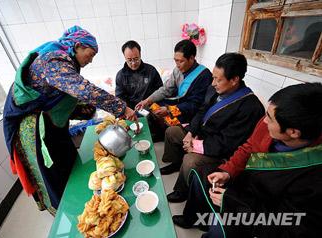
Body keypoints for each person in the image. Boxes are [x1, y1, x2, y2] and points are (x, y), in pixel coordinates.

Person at [3, 26, 136, 215]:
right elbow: (85, 90)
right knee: (53, 171)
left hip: (54, 124)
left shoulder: (66, 62)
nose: (90, 60)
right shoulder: (53, 60)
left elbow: (67, 94)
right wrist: (123, 108)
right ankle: (66, 213)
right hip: (36, 129)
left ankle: (82, 200)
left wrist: (88, 108)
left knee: (69, 159)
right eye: (90, 54)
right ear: (78, 46)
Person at [174, 83, 322, 238]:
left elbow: (285, 224)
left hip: (260, 208)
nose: (264, 121)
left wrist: (233, 203)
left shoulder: (313, 179)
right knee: (202, 175)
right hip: (245, 183)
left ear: (293, 132)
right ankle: (195, 219)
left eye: (270, 119)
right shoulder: (269, 125)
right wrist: (227, 172)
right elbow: (249, 146)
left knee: (221, 230)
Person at [162, 53, 265, 203]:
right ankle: (176, 163)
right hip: (202, 135)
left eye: (218, 79)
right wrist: (191, 132)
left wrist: (196, 146)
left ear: (235, 79)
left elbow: (228, 142)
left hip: (219, 149)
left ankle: (181, 190)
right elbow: (202, 111)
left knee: (191, 160)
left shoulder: (250, 107)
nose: (213, 83)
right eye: (213, 77)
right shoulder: (214, 89)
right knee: (172, 131)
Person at [135, 39, 212, 141]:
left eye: (181, 61)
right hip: (178, 103)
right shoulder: (178, 70)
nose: (177, 64)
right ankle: (159, 134)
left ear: (192, 58)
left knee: (162, 113)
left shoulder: (204, 75)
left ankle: (164, 134)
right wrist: (147, 100)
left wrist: (169, 110)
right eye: (176, 60)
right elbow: (166, 89)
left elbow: (195, 105)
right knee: (150, 107)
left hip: (189, 112)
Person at [115, 40, 163, 109]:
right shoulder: (120, 76)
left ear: (140, 55)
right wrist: (128, 110)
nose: (133, 63)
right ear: (125, 58)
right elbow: (120, 98)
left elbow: (160, 91)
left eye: (136, 59)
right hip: (132, 111)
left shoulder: (151, 70)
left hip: (151, 107)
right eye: (129, 60)